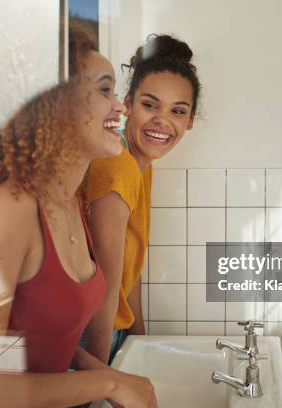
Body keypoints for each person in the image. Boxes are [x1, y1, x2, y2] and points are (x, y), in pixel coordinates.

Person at [0, 26, 157, 408]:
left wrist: (102, 373)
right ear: (53, 103)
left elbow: (44, 338)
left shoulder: (69, 202)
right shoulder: (11, 208)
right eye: (103, 90)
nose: (121, 106)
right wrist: (108, 385)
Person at [83, 34, 201, 363]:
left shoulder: (139, 164)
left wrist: (138, 336)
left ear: (189, 120)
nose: (163, 121)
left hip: (111, 333)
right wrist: (99, 373)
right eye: (150, 105)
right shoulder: (118, 165)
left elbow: (127, 268)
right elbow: (104, 285)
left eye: (178, 111)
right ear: (128, 103)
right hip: (90, 339)